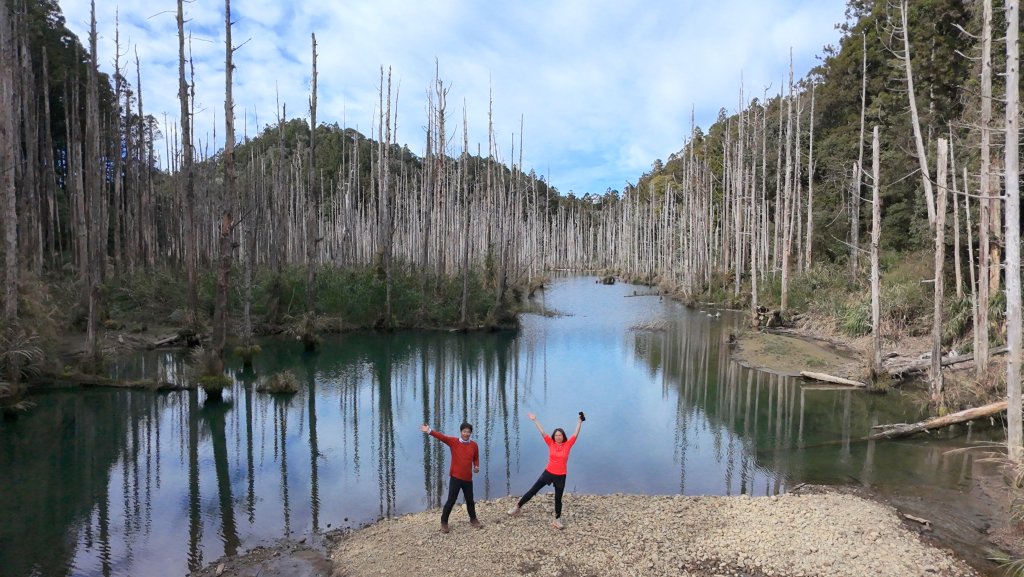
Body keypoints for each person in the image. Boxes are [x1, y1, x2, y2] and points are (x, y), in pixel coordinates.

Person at [507, 411, 584, 529]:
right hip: (548, 473)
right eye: (557, 435)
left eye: (560, 435)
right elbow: (542, 432)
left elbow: (575, 434)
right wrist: (535, 420)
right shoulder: (551, 443)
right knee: (533, 490)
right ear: (554, 436)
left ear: (563, 436)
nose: (558, 437)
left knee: (558, 499)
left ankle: (557, 520)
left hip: (561, 475)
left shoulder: (568, 445)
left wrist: (579, 422)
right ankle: (517, 507)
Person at [421, 422, 482, 533]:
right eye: (464, 431)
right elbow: (441, 437)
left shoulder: (474, 445)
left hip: (468, 478)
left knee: (470, 500)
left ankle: (473, 519)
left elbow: (476, 457)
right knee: (451, 500)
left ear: (471, 433)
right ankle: (444, 522)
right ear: (461, 432)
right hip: (456, 477)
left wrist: (476, 466)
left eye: (468, 432)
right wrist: (429, 430)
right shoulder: (454, 442)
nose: (466, 434)